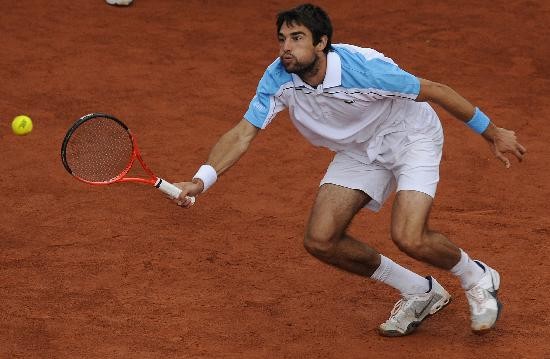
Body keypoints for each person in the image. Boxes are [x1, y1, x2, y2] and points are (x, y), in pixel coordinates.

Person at [173, 3, 526, 337]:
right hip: (359, 148)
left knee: (409, 235)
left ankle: (476, 276)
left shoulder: (366, 70)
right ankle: (420, 292)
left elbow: (436, 90)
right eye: (282, 38)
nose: (286, 47)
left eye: (296, 38)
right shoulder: (278, 77)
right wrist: (201, 180)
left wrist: (493, 133)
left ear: (322, 42)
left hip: (409, 136)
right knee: (321, 239)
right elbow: (242, 132)